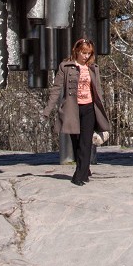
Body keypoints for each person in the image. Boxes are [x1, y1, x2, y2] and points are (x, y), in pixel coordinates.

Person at [43, 38, 110, 186]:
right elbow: (56, 89)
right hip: (72, 109)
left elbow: (98, 90)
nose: (86, 56)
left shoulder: (93, 67)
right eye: (83, 52)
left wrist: (101, 110)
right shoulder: (65, 66)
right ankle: (84, 170)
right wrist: (48, 109)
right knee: (77, 143)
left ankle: (78, 175)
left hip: (89, 108)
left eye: (89, 53)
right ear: (77, 50)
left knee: (86, 143)